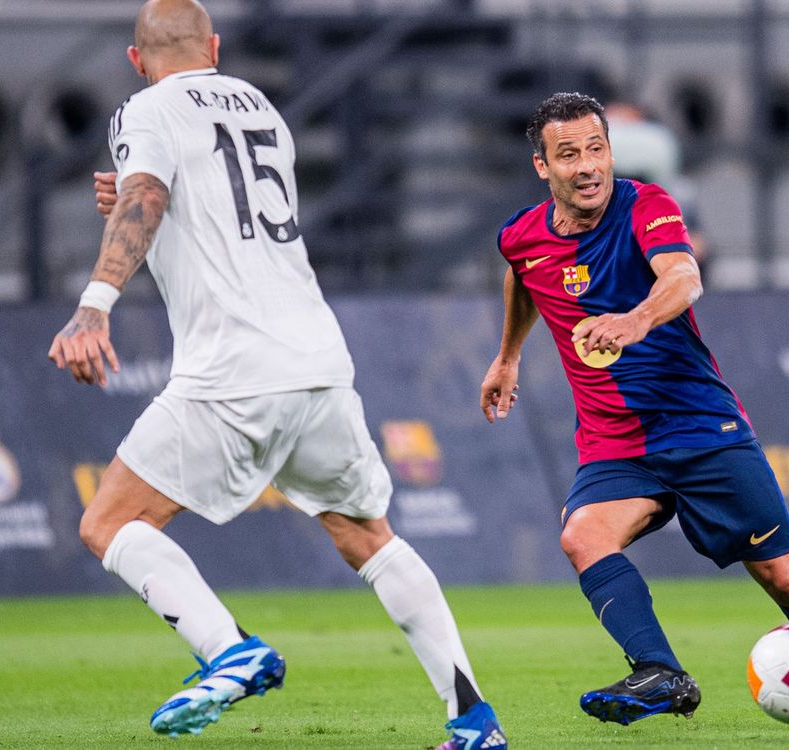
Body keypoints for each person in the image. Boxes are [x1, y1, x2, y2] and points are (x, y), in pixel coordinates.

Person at [47, 2, 506, 748]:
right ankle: (475, 720)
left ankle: (228, 650)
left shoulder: (143, 107)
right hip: (319, 361)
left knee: (108, 523)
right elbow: (210, 204)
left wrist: (94, 306)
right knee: (368, 536)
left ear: (136, 61)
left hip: (233, 369)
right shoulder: (260, 107)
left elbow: (150, 197)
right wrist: (134, 186)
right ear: (215, 47)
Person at [479, 91, 789, 732]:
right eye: (568, 155)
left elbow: (684, 278)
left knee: (786, 579)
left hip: (700, 426)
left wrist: (635, 319)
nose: (588, 166)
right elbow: (521, 271)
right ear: (543, 167)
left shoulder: (645, 207)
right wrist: (509, 354)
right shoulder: (522, 235)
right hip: (616, 442)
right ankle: (660, 671)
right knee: (581, 534)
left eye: (596, 149)